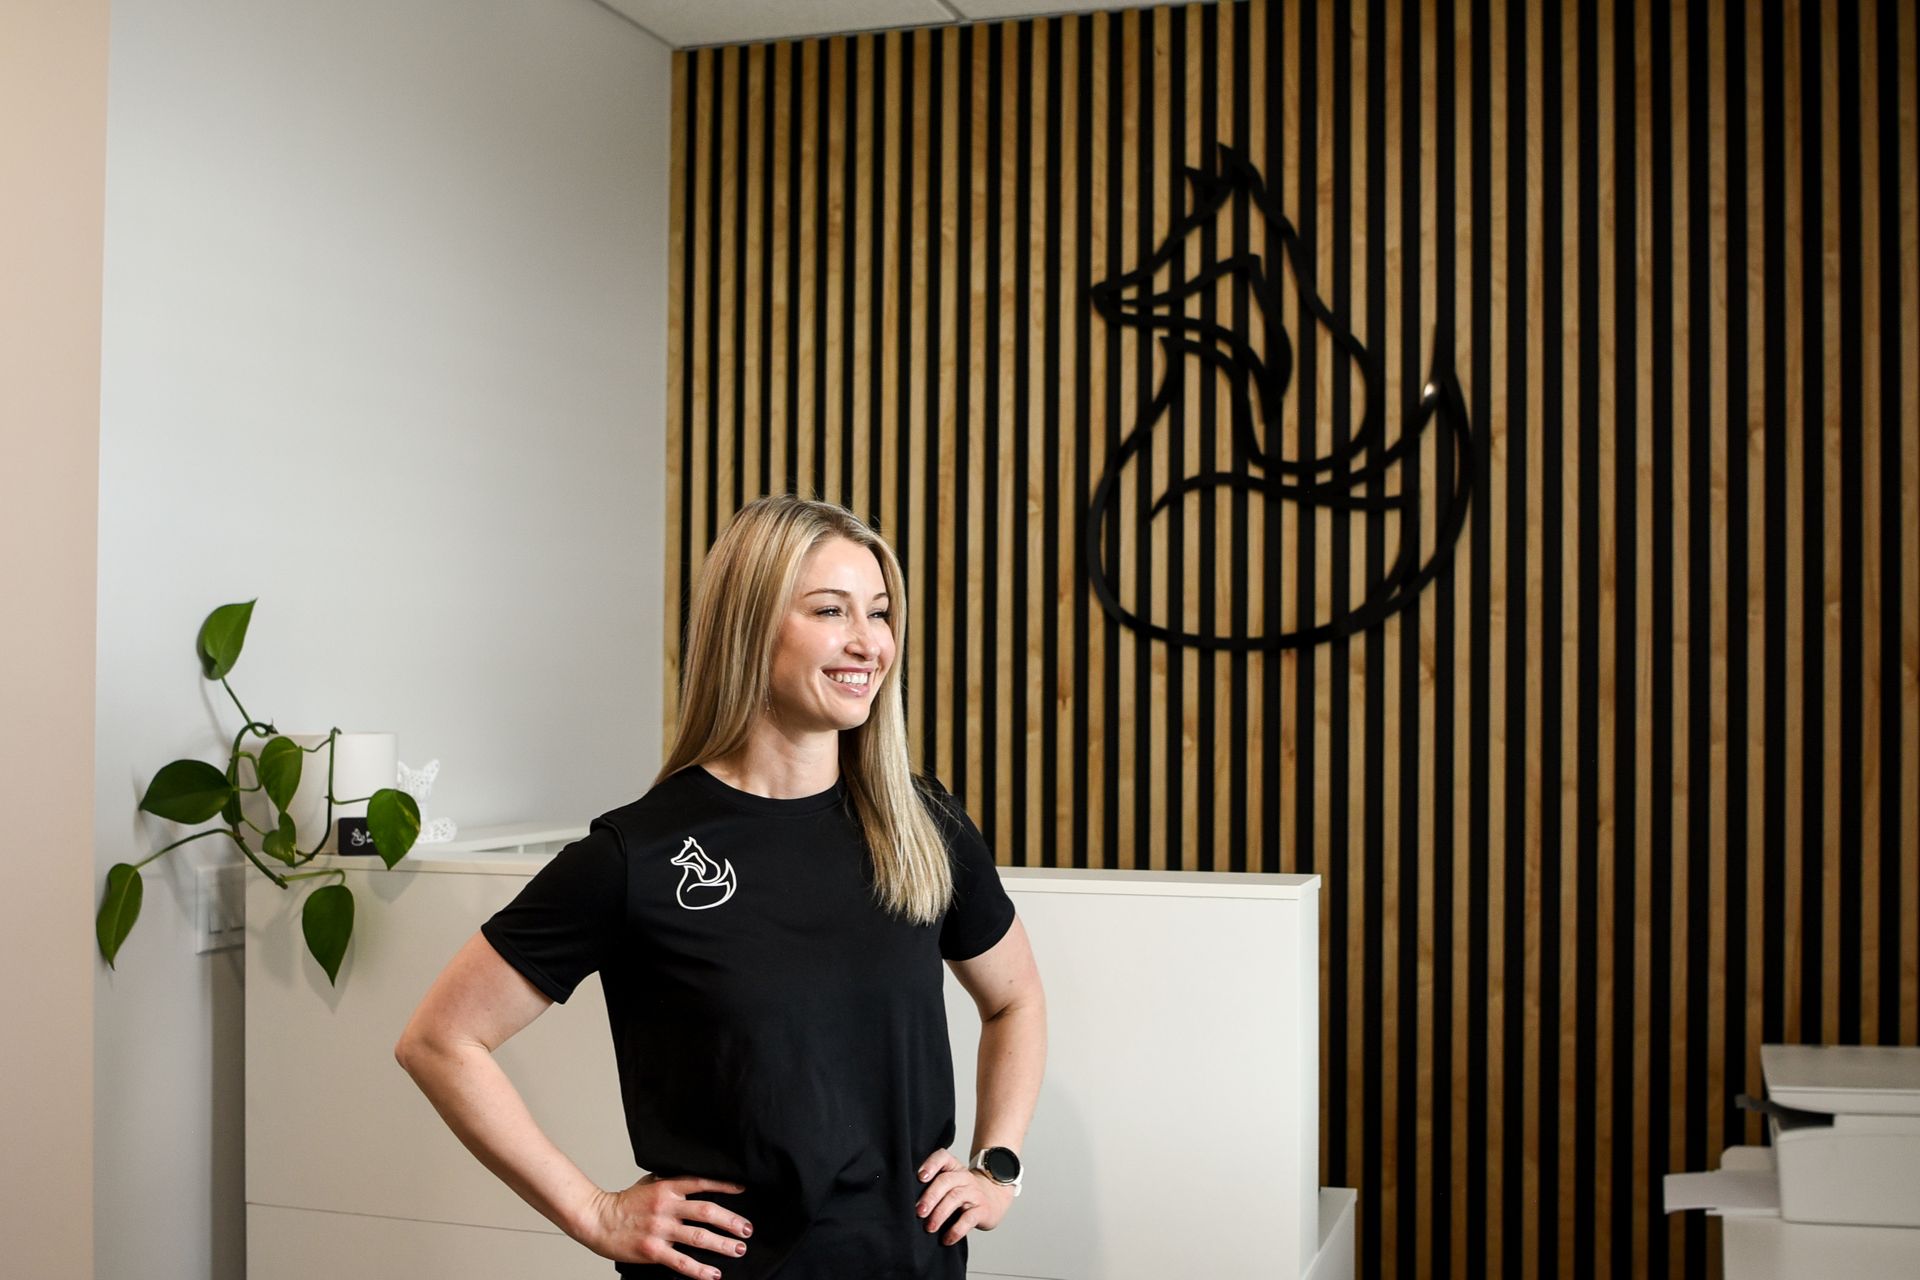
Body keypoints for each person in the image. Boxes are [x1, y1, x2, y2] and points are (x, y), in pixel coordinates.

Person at [394, 493, 1048, 1279]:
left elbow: (1015, 1000)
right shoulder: (637, 854)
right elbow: (439, 1041)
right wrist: (592, 1211)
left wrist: (997, 1165)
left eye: (879, 613)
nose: (868, 642)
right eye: (830, 610)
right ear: (750, 627)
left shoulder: (923, 826)